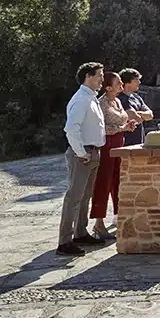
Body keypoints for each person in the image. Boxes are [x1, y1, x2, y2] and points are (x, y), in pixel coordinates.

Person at [57, 62, 107, 256]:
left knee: (85, 197)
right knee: (73, 198)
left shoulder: (91, 98)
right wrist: (81, 152)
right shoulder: (81, 100)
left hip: (92, 152)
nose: (102, 79)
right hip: (83, 154)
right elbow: (71, 128)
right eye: (99, 76)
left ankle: (80, 232)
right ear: (88, 76)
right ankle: (64, 241)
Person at [90, 72, 137, 240]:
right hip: (106, 146)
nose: (121, 85)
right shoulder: (101, 103)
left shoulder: (117, 101)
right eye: (118, 83)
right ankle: (98, 223)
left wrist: (127, 125)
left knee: (119, 180)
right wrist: (121, 128)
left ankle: (119, 216)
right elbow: (100, 128)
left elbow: (120, 120)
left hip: (119, 144)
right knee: (103, 182)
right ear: (108, 87)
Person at [118, 68, 154, 147]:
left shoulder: (136, 97)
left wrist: (139, 114)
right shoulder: (120, 98)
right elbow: (135, 118)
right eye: (137, 80)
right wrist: (142, 116)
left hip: (139, 141)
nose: (139, 82)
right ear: (128, 82)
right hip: (126, 143)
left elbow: (150, 115)